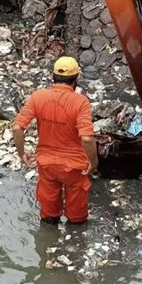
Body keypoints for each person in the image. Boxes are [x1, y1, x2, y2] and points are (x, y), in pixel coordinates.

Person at [12, 56, 98, 225]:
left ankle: (47, 245)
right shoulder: (80, 102)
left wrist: (22, 153)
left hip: (47, 165)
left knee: (49, 216)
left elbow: (17, 128)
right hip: (74, 167)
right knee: (77, 219)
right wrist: (93, 162)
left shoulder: (38, 97)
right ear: (76, 80)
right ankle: (75, 243)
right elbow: (87, 139)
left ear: (53, 77)